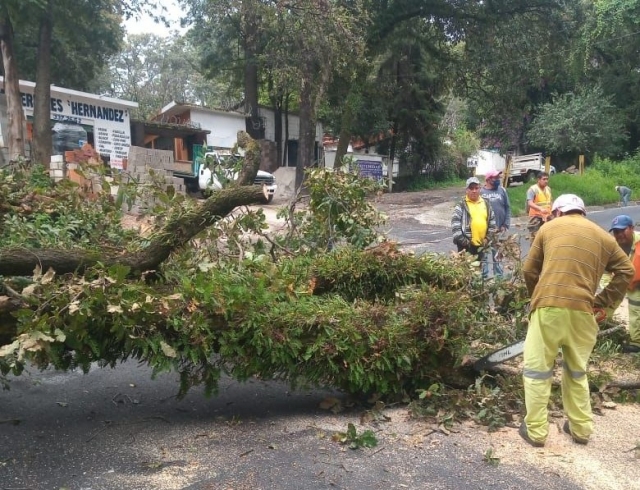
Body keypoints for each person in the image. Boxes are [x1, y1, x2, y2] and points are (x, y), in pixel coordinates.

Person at [519, 194, 633, 448]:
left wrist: (537, 298)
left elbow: (529, 270)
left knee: (538, 371)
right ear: (583, 212)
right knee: (576, 371)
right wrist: (602, 302)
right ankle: (581, 429)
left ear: (558, 212)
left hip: (548, 309)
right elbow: (627, 271)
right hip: (584, 312)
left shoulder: (548, 228)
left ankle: (536, 432)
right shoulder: (603, 236)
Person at [451, 177, 497, 278]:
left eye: (476, 188)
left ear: (480, 189)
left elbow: (492, 223)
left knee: (479, 272)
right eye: (471, 188)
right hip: (465, 246)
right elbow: (455, 226)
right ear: (466, 190)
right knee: (466, 273)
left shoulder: (486, 203)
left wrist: (487, 238)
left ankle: (478, 291)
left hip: (481, 245)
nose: (474, 191)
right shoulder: (461, 205)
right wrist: (465, 242)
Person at [609, 214, 640, 353]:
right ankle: (598, 328)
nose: (619, 234)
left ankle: (637, 343)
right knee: (607, 306)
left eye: (623, 230)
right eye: (616, 231)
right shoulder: (612, 245)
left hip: (637, 284)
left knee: (636, 310)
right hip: (622, 282)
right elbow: (605, 268)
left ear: (632, 228)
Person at [480, 169, 511, 278]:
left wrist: (506, 224)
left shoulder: (502, 190)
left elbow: (507, 207)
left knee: (498, 256)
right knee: (483, 256)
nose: (498, 180)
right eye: (495, 178)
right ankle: (483, 280)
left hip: (499, 230)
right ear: (488, 179)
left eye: (498, 177)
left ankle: (499, 280)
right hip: (485, 232)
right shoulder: (481, 192)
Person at [526, 172, 552, 239]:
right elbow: (530, 203)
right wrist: (540, 209)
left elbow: (550, 202)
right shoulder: (533, 189)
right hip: (536, 217)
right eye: (544, 179)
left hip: (546, 217)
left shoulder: (548, 189)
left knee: (547, 238)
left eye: (547, 179)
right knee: (535, 238)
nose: (546, 181)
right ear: (538, 180)